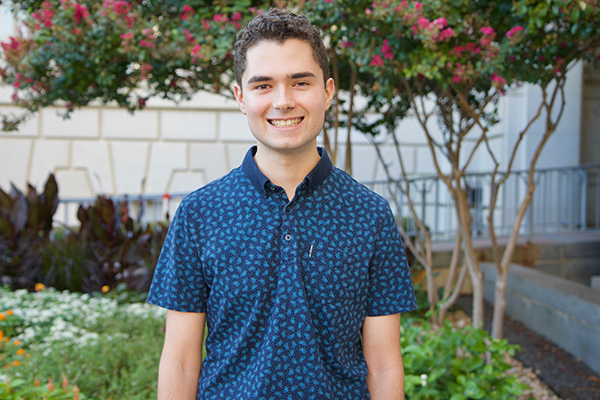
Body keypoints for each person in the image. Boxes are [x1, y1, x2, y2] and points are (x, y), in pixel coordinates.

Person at [147, 8, 417, 400]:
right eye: (263, 86)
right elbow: (181, 361)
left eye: (299, 82)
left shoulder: (370, 215)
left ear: (327, 91)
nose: (283, 101)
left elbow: (385, 364)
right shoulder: (200, 214)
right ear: (241, 97)